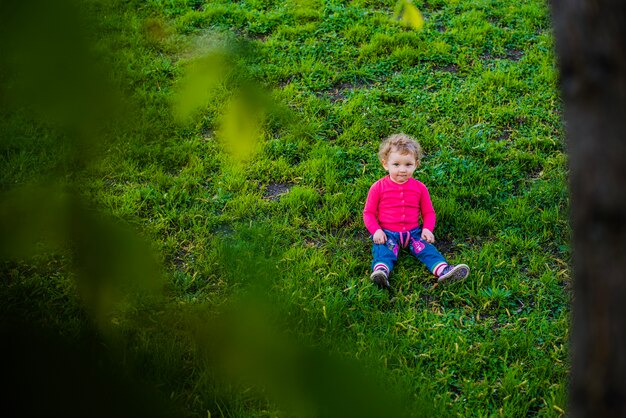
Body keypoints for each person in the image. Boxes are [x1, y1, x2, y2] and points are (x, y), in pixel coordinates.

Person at [363, 133, 469, 288]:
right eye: (396, 164)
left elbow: (428, 213)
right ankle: (381, 272)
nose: (402, 170)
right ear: (385, 164)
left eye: (408, 164)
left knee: (427, 250)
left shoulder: (420, 188)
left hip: (414, 233)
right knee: (384, 250)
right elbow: (369, 213)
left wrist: (427, 229)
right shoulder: (378, 187)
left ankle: (444, 271)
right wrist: (376, 231)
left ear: (416, 164)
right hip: (388, 233)